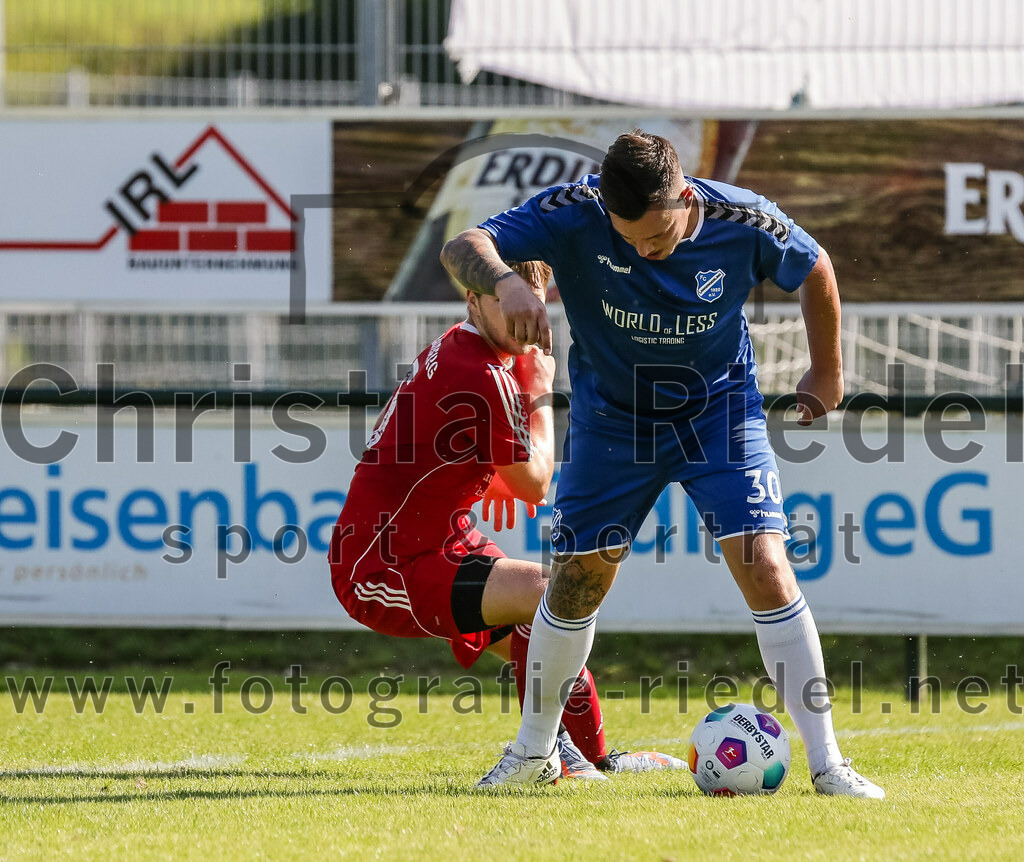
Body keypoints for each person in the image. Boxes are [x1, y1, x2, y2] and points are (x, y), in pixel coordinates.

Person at [440, 130, 886, 798]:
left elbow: (815, 265)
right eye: (628, 240)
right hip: (613, 423)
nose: (644, 252)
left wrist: (827, 369)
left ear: (683, 194)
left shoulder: (742, 218)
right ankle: (534, 751)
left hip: (718, 417)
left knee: (766, 566)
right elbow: (461, 245)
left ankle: (829, 765)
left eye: (656, 238)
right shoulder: (574, 212)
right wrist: (506, 282)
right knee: (575, 583)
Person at [328, 259, 684, 781]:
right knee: (551, 596)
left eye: (531, 304)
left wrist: (489, 476)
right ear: (473, 301)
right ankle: (548, 755)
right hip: (379, 568)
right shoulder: (482, 371)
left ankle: (593, 758)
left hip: (441, 541)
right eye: (507, 302)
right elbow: (537, 484)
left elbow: (427, 449)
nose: (523, 318)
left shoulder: (467, 347)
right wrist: (541, 389)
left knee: (548, 621)